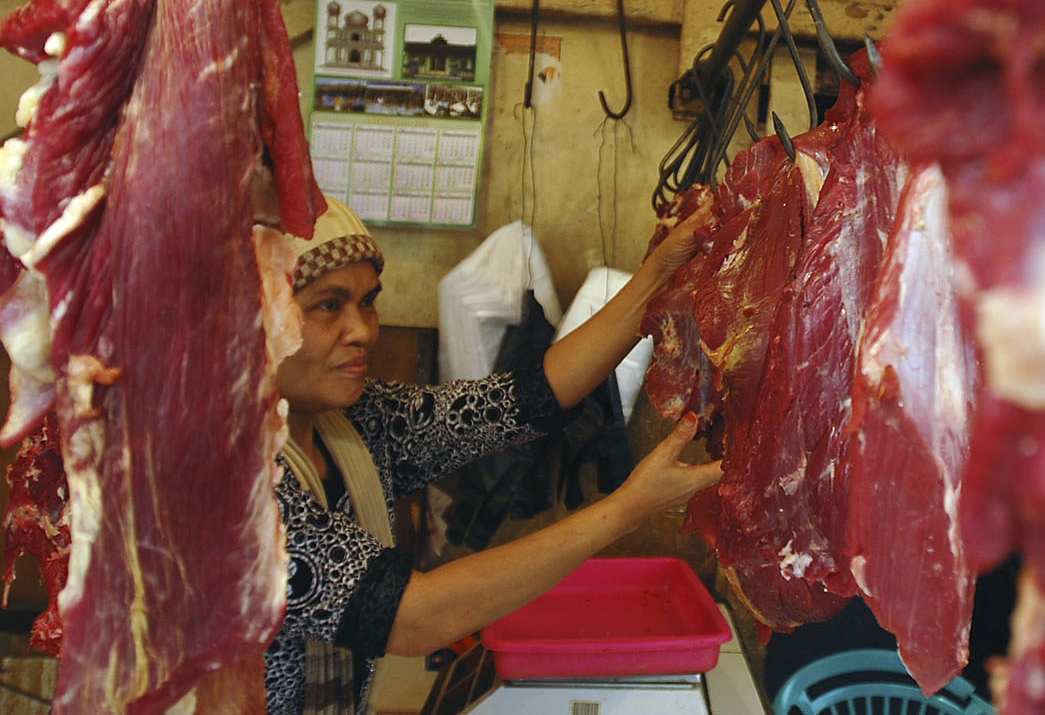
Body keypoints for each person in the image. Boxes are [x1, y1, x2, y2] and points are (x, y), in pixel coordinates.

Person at [265, 196, 722, 714]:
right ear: (257, 314)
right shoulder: (233, 488)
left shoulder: (352, 424)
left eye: (367, 301)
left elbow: (523, 401)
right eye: (329, 305)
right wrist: (628, 509)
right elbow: (413, 616)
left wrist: (658, 275)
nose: (364, 330)